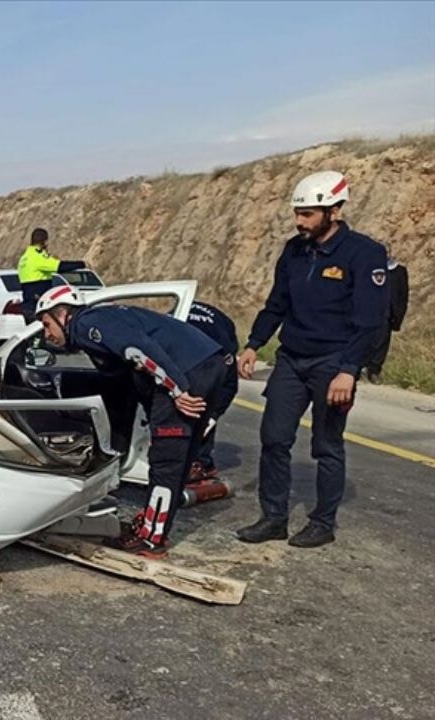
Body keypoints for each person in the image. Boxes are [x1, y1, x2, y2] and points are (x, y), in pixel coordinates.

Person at [235, 171, 387, 549]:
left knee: (327, 445)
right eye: (297, 213)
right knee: (273, 438)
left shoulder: (364, 253)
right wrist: (253, 344)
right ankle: (273, 518)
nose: (300, 221)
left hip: (333, 363)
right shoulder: (294, 250)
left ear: (334, 211)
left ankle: (323, 523)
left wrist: (348, 371)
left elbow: (370, 322)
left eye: (308, 214)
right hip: (292, 358)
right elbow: (277, 304)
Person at [35, 286, 226, 558]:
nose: (46, 334)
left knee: (165, 462)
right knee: (179, 459)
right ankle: (153, 527)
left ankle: (151, 539)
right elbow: (125, 374)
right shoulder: (106, 319)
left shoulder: (87, 325)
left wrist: (178, 391)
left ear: (63, 314)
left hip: (186, 372)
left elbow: (139, 351)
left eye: (46, 324)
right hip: (210, 363)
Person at [184, 300, 239, 483]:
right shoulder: (163, 344)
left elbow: (229, 386)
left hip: (218, 329)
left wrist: (211, 417)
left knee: (204, 407)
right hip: (182, 338)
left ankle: (202, 462)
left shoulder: (223, 353)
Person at [18, 228, 86, 323]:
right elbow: (59, 267)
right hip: (38, 303)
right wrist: (81, 264)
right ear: (44, 241)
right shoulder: (37, 256)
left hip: (28, 304)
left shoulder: (24, 257)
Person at [363, 251, 408, 382]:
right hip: (372, 310)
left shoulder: (400, 271)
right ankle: (362, 366)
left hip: (388, 313)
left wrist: (399, 316)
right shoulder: (373, 268)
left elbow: (403, 296)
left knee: (382, 343)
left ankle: (374, 370)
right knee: (367, 339)